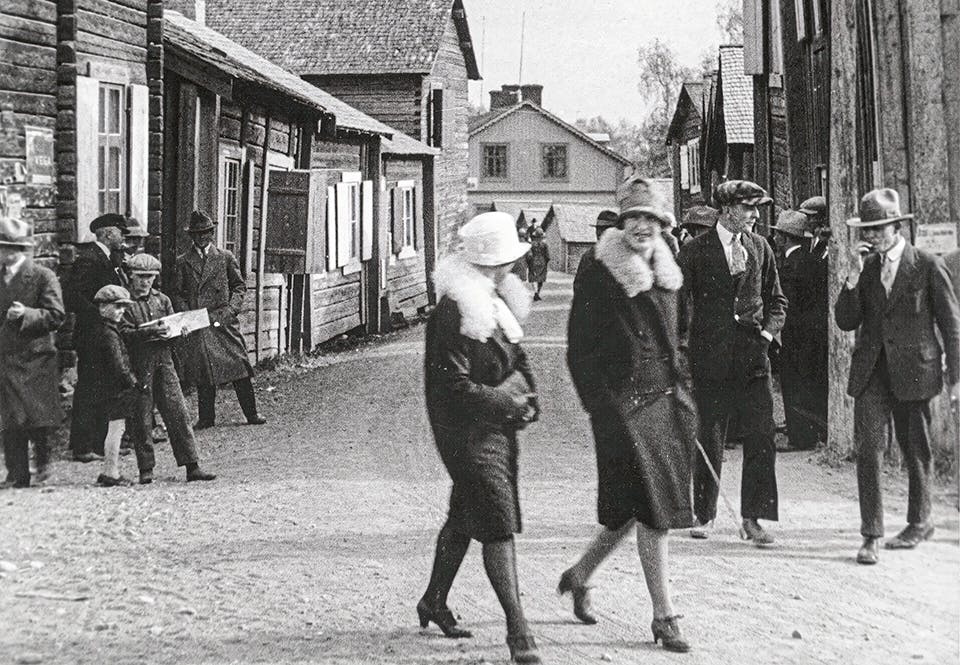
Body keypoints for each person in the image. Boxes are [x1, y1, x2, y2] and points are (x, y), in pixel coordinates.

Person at [560, 176, 696, 653]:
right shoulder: (599, 269)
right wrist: (601, 404)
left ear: (663, 225)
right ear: (622, 222)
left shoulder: (670, 272)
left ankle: (579, 575)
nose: (642, 226)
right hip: (620, 408)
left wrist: (684, 391)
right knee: (653, 512)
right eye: (633, 217)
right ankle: (665, 616)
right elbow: (579, 347)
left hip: (664, 403)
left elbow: (682, 338)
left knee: (633, 510)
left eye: (651, 218)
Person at [419, 212, 543, 664]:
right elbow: (452, 387)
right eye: (508, 261)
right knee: (497, 521)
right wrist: (510, 401)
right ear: (490, 264)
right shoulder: (454, 311)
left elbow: (517, 354)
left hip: (495, 430)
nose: (514, 268)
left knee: (466, 516)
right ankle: (518, 629)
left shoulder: (491, 298)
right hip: (465, 434)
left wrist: (529, 395)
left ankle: (434, 600)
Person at [834, 188, 960, 565]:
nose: (869, 236)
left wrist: (956, 379)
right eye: (865, 229)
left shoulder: (926, 264)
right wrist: (852, 279)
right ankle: (870, 534)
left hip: (916, 372)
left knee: (915, 449)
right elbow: (846, 321)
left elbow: (952, 327)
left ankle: (920, 521)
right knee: (869, 450)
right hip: (872, 373)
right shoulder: (866, 269)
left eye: (876, 229)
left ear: (895, 226)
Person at [678, 180, 786, 545]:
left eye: (758, 208)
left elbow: (777, 301)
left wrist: (768, 335)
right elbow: (677, 307)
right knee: (709, 436)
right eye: (749, 208)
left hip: (754, 361)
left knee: (762, 437)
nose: (756, 215)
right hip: (710, 361)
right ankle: (703, 514)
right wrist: (680, 354)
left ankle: (753, 519)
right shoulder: (695, 251)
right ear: (726, 210)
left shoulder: (761, 248)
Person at [122, 253, 216, 484]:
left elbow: (174, 327)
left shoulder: (162, 300)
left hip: (164, 362)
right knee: (141, 417)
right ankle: (146, 469)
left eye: (150, 277)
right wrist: (149, 332)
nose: (145, 282)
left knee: (178, 412)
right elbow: (122, 334)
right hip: (139, 363)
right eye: (140, 277)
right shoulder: (125, 303)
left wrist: (179, 332)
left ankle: (192, 466)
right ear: (130, 277)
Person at [172, 210, 266, 429]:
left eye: (205, 232)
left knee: (239, 367)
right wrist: (188, 316)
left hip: (223, 320)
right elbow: (177, 293)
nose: (202, 237)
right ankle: (206, 418)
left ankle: (251, 413)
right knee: (205, 371)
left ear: (212, 233)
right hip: (199, 322)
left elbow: (239, 286)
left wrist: (232, 310)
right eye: (197, 233)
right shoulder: (183, 261)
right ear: (191, 236)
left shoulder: (225, 257)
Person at [0, 218, 65, 488]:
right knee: (10, 417)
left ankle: (45, 468)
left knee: (39, 418)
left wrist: (27, 314)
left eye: (6, 247)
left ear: (18, 249)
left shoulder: (41, 276)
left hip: (36, 357)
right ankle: (16, 474)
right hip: (6, 356)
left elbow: (56, 315)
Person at [65, 213, 129, 462]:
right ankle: (82, 447)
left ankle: (101, 444)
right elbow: (71, 295)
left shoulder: (108, 258)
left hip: (103, 335)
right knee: (88, 389)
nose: (123, 237)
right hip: (91, 335)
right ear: (108, 233)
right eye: (120, 232)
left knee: (104, 387)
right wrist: (100, 316)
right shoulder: (89, 259)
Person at [773, 210, 820, 450]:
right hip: (813, 335)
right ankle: (809, 431)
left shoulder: (791, 266)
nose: (776, 240)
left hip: (797, 335)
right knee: (808, 383)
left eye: (778, 235)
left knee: (794, 383)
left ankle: (799, 437)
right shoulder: (812, 260)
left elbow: (787, 304)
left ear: (785, 237)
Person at [88, 285, 143, 487]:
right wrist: (133, 382)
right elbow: (118, 365)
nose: (121, 311)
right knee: (116, 429)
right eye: (117, 307)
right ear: (103, 308)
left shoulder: (103, 329)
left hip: (107, 387)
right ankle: (110, 472)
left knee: (115, 428)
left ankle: (109, 470)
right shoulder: (109, 334)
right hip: (115, 389)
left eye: (123, 307)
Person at [525, 225, 549, 301]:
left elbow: (528, 255)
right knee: (540, 279)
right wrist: (546, 262)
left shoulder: (531, 244)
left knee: (533, 277)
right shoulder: (544, 244)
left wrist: (528, 262)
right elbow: (547, 255)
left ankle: (535, 292)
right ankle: (538, 293)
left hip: (533, 261)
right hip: (542, 262)